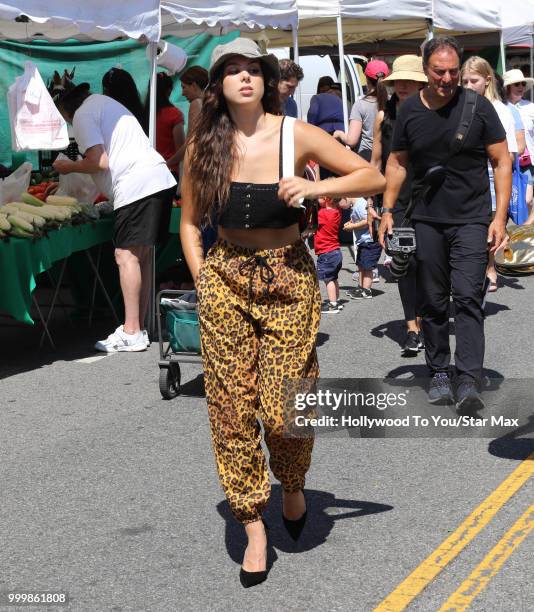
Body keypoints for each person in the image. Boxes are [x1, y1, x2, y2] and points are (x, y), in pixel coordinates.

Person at [179, 38, 385, 587]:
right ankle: (252, 525)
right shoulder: (204, 143)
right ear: (219, 83)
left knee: (283, 404)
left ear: (266, 81)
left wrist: (321, 188)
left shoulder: (296, 134)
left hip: (288, 276)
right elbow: (188, 221)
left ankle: (291, 483)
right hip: (225, 276)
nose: (244, 77)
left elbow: (374, 177)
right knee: (230, 407)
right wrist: (204, 279)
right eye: (233, 70)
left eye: (254, 70)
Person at [378, 36, 511, 411]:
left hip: (471, 219)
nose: (448, 78)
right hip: (425, 220)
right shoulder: (409, 112)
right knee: (433, 301)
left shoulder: (479, 107)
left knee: (468, 296)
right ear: (426, 70)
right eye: (440, 71)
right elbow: (397, 162)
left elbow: (502, 161)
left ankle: (468, 378)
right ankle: (438, 370)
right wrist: (387, 210)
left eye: (454, 71)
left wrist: (500, 218)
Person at [54, 83, 176, 352]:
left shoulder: (83, 116)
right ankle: (138, 327)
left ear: (66, 110)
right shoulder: (103, 104)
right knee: (139, 257)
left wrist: (67, 166)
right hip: (158, 179)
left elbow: (99, 161)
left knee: (125, 256)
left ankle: (132, 330)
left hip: (137, 185)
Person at [370, 55, 427, 352]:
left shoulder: (434, 113)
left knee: (429, 262)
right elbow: (376, 162)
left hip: (432, 197)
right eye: (398, 80)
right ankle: (411, 327)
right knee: (406, 261)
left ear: (421, 82)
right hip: (397, 201)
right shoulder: (384, 116)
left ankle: (426, 317)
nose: (403, 85)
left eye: (410, 80)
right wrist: (373, 202)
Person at [461, 57, 518, 292]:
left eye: (473, 81)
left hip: (491, 174)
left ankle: (490, 268)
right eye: (463, 81)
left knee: (490, 226)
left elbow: (509, 154)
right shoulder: (460, 106)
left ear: (487, 80)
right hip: (465, 176)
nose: (467, 86)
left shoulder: (500, 110)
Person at [333, 59, 389, 161]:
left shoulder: (361, 104)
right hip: (387, 157)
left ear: (366, 79)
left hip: (367, 157)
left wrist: (339, 134)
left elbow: (351, 140)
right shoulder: (392, 102)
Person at [504, 69, 534, 222]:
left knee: (527, 199)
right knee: (514, 202)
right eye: (517, 84)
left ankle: (527, 230)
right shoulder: (501, 108)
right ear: (507, 87)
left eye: (523, 83)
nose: (521, 86)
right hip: (509, 162)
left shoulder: (530, 107)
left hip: (528, 162)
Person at [165, 66, 209, 170]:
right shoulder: (213, 104)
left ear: (193, 85)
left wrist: (168, 163)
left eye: (184, 87)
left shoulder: (196, 104)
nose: (183, 93)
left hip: (197, 167)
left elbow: (190, 143)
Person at [143, 72, 185, 178]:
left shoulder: (143, 114)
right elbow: (181, 149)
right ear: (169, 90)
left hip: (146, 171)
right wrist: (167, 164)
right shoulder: (174, 114)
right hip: (169, 172)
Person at [343, 197, 383, 299]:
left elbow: (368, 220)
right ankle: (361, 287)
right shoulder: (356, 205)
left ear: (345, 197)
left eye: (338, 202)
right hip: (363, 241)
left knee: (367, 267)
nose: (339, 206)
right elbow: (359, 218)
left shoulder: (360, 204)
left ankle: (366, 290)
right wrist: (351, 223)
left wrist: (353, 226)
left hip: (370, 241)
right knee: (361, 265)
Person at [315, 196, 349, 313]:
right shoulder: (337, 211)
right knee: (333, 278)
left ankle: (332, 305)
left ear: (326, 199)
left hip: (326, 253)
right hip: (335, 251)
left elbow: (311, 223)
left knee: (328, 280)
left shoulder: (322, 213)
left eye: (319, 197)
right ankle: (337, 300)